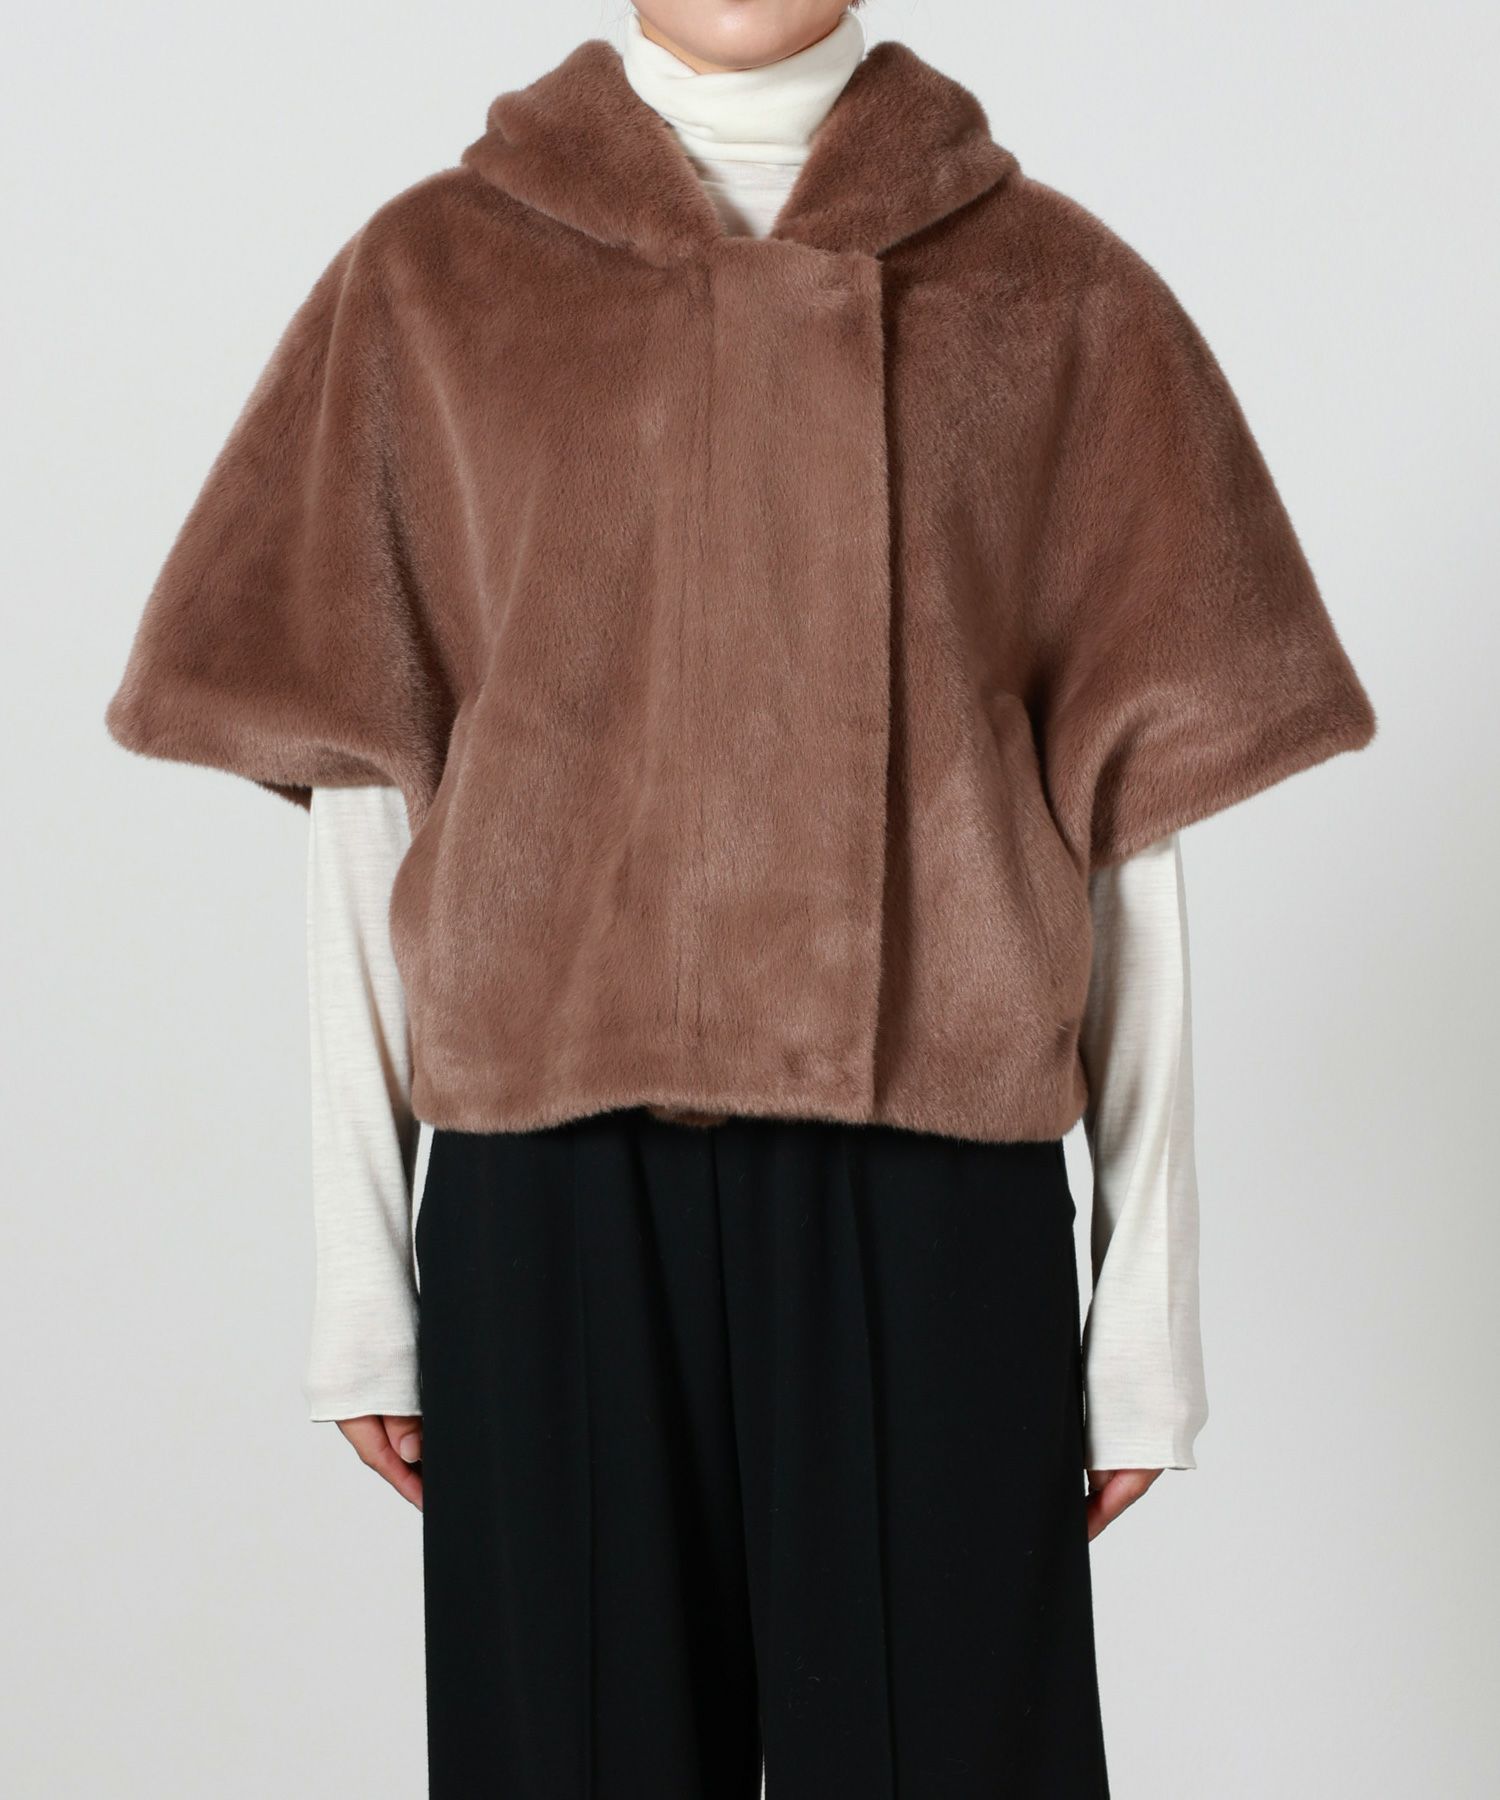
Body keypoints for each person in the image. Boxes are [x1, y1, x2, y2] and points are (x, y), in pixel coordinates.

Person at [102, 4, 1377, 1793]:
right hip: (552, 1197)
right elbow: (372, 795)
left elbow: (1127, 836)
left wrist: (1143, 1320)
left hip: (934, 1199)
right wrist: (363, 1288)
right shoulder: (431, 283)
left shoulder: (1058, 293)